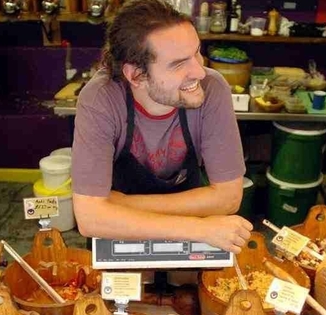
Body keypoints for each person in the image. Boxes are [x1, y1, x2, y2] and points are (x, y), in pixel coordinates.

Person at [71, 0, 252, 253]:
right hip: (126, 237)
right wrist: (200, 229)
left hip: (124, 220)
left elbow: (229, 197)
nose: (199, 72)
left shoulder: (213, 88)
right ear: (136, 75)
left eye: (197, 52)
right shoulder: (100, 98)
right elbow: (90, 219)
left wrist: (120, 205)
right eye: (179, 64)